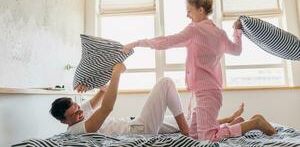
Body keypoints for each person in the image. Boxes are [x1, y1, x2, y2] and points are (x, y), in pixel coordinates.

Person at [122, 0, 276, 141]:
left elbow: (167, 41)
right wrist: (237, 32)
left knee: (208, 138)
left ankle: (255, 123)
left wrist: (137, 43)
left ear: (200, 10)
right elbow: (237, 51)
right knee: (193, 137)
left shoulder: (194, 30)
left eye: (189, 11)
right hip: (207, 92)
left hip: (207, 92)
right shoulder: (220, 34)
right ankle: (238, 124)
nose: (187, 15)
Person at [50, 63, 246, 136]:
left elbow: (104, 92)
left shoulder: (79, 111)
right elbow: (107, 107)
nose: (79, 112)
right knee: (166, 83)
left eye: (77, 107)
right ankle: (188, 133)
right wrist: (117, 72)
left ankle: (228, 121)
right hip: (139, 129)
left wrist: (91, 80)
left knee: (186, 118)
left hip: (138, 123)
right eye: (74, 114)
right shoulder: (76, 129)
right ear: (63, 121)